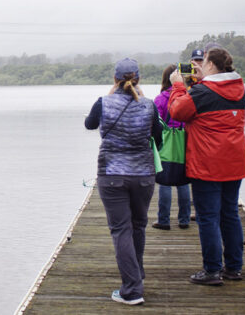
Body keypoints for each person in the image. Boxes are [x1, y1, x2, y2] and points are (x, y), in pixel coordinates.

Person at [84, 58, 163, 306]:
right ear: (138, 79)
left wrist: (109, 97)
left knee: (121, 230)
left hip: (112, 176)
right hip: (143, 176)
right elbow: (158, 141)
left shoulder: (103, 103)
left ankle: (132, 289)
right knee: (138, 227)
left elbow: (89, 124)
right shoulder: (150, 106)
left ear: (115, 79)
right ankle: (136, 277)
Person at [168, 47, 245, 286]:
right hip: (234, 160)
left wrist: (178, 86)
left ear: (211, 64)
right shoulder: (241, 90)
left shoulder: (203, 92)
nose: (200, 65)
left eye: (204, 62)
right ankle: (233, 268)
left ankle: (212, 270)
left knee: (208, 217)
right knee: (230, 214)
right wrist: (198, 82)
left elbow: (177, 111)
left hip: (207, 163)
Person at [152, 64, 192, 230]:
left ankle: (164, 220)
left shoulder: (160, 99)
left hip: (166, 142)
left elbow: (155, 122)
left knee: (165, 182)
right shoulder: (186, 96)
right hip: (184, 141)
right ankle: (184, 220)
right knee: (183, 181)